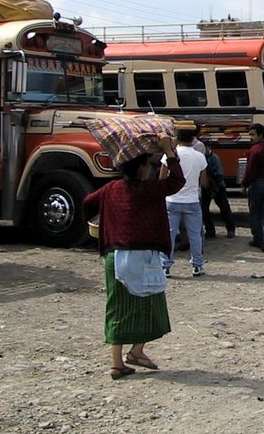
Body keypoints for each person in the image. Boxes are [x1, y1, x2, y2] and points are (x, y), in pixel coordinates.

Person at [83, 135, 183, 380]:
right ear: (140, 168)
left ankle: (118, 362)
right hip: (142, 255)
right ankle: (137, 350)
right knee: (151, 304)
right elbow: (177, 181)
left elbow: (87, 203)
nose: (149, 169)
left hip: (114, 254)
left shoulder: (110, 189)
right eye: (148, 166)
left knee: (117, 307)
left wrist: (104, 220)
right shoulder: (148, 191)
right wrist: (170, 152)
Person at [161, 128, 209, 277]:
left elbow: (162, 178)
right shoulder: (200, 157)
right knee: (195, 235)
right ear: (193, 139)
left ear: (177, 139)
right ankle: (197, 265)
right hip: (192, 200)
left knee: (169, 234)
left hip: (172, 200)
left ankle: (165, 266)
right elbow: (204, 182)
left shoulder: (169, 155)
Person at [242, 123, 264, 252]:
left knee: (255, 212)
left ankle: (258, 239)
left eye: (252, 135)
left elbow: (250, 170)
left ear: (260, 135)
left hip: (257, 184)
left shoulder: (255, 150)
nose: (250, 137)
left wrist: (244, 184)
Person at [201, 141, 236, 239]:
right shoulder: (201, 158)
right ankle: (210, 231)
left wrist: (215, 189)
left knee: (224, 208)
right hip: (205, 187)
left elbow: (219, 175)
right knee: (204, 210)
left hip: (218, 187)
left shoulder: (214, 158)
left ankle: (230, 229)